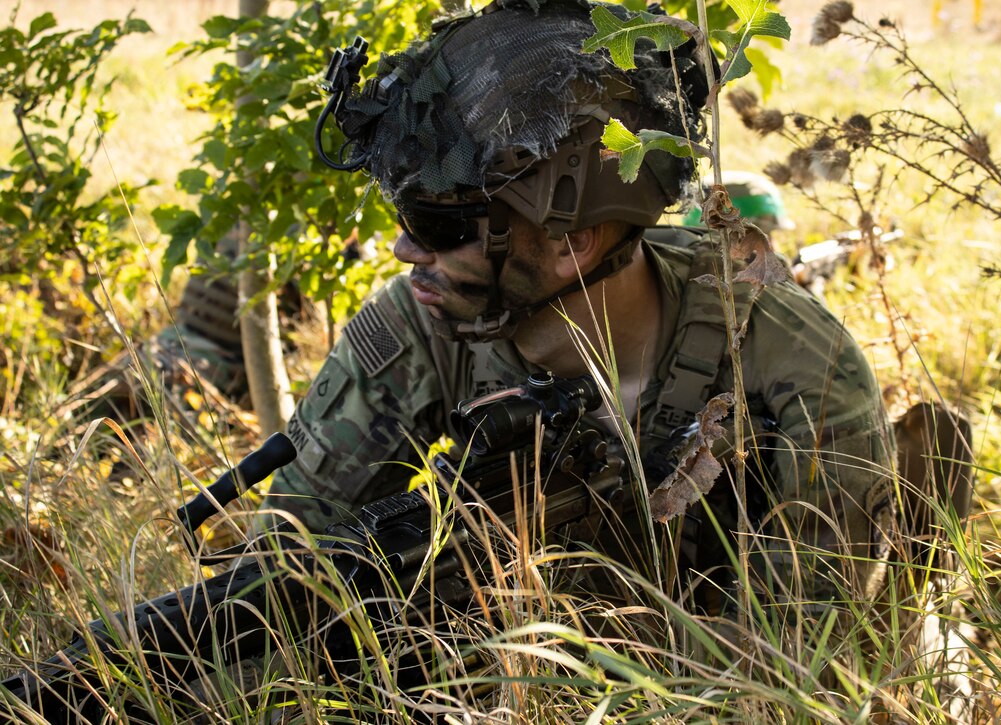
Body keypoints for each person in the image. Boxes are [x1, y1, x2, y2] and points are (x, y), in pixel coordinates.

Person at [262, 0, 897, 613]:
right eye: (401, 216)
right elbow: (281, 564)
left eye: (438, 226)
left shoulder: (791, 355)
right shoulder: (420, 323)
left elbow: (809, 645)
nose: (404, 251)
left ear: (571, 243)